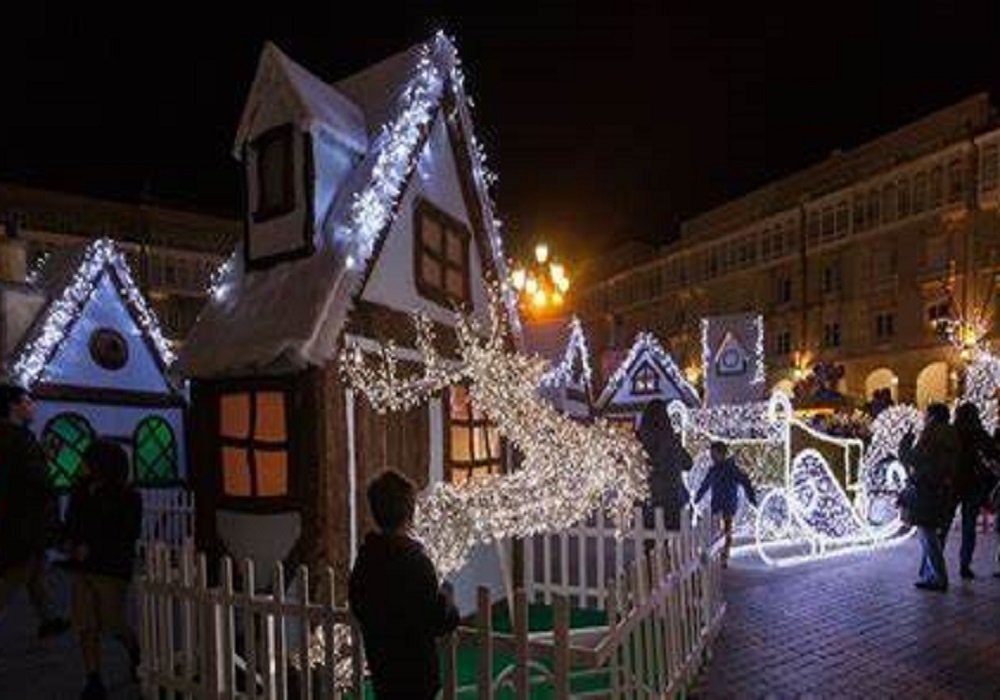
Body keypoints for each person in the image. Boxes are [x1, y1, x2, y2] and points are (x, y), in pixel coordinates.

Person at [348, 470, 459, 700]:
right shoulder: (416, 562)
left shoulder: (366, 560)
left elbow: (358, 603)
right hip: (417, 676)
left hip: (383, 669)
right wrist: (448, 602)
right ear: (410, 513)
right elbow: (436, 619)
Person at [64, 439, 142, 700]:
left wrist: (93, 546)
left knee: (113, 622)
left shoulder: (128, 496)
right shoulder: (80, 492)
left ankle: (134, 649)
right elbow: (72, 523)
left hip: (110, 568)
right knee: (86, 624)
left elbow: (127, 533)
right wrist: (70, 543)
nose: (81, 465)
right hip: (82, 567)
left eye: (86, 460)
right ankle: (93, 679)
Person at [0, 384, 70, 638]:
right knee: (16, 574)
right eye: (27, 402)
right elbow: (33, 481)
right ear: (14, 407)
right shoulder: (18, 439)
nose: (32, 407)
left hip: (21, 520)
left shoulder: (14, 438)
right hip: (25, 522)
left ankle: (48, 619)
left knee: (36, 573)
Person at [899, 403, 959, 592]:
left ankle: (939, 577)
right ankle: (930, 574)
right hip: (942, 488)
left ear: (932, 416)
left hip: (926, 488)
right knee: (930, 531)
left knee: (927, 532)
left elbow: (912, 458)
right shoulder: (952, 433)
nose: (924, 418)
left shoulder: (931, 433)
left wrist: (905, 443)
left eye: (926, 414)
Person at [952, 403, 999, 579]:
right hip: (973, 484)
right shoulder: (979, 433)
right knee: (969, 526)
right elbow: (994, 451)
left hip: (954, 483)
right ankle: (965, 565)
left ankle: (936, 565)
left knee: (944, 522)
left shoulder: (953, 431)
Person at [694, 442, 757, 567]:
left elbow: (745, 481)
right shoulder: (713, 470)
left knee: (727, 531)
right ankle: (715, 555)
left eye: (714, 453)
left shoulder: (731, 469)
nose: (711, 456)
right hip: (716, 505)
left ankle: (724, 557)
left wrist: (752, 499)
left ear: (721, 454)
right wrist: (697, 497)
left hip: (728, 504)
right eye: (711, 453)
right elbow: (705, 485)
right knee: (715, 531)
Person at [637, 399, 693, 531]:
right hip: (672, 498)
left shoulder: (639, 440)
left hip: (648, 500)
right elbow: (688, 463)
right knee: (672, 542)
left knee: (647, 541)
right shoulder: (671, 440)